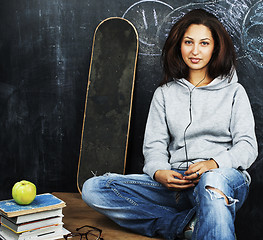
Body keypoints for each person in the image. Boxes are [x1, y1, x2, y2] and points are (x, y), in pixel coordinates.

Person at [81, 9, 258, 240]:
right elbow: (154, 147)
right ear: (179, 45)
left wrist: (213, 163)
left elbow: (247, 146)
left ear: (215, 48)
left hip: (223, 178)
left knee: (212, 182)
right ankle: (186, 225)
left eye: (204, 43)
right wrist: (158, 172)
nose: (195, 51)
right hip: (177, 183)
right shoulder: (164, 94)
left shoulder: (234, 92)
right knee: (94, 188)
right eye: (188, 42)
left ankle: (194, 219)